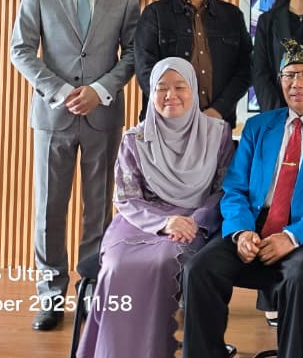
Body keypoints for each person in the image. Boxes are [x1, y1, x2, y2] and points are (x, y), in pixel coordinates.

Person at [181, 40, 303, 358]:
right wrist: (240, 232)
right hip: (256, 227)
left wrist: (292, 237)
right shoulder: (258, 127)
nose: (297, 83)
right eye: (289, 75)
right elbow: (235, 189)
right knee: (199, 268)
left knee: (298, 277)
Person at [9, 0, 140, 331]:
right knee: (49, 208)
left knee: (99, 206)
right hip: (52, 116)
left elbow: (134, 54)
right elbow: (21, 50)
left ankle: (90, 289)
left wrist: (100, 91)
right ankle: (50, 295)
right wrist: (64, 91)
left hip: (103, 115)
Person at [77, 58, 234, 358]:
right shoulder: (135, 139)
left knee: (164, 261)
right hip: (141, 220)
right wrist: (164, 223)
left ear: (194, 90)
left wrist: (195, 220)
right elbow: (126, 197)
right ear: (151, 92)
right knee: (117, 266)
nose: (170, 95)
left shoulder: (218, 134)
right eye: (161, 88)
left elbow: (224, 190)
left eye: (179, 87)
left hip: (195, 221)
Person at [135, 0, 252, 127]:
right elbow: (145, 69)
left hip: (217, 122)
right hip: (166, 122)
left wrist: (218, 110)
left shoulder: (231, 15)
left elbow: (245, 69)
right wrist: (177, 110)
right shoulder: (155, 14)